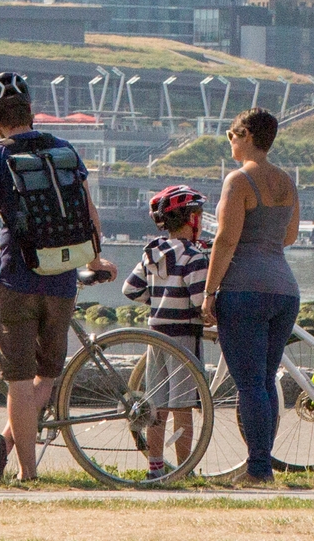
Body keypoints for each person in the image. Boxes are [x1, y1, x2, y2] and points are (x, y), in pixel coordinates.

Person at [0, 71, 106, 483]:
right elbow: (89, 211)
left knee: (19, 383)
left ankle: (26, 471)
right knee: (48, 375)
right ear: (29, 110)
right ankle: (8, 443)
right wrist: (96, 260)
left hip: (15, 279)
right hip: (62, 279)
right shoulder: (65, 148)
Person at [202, 107, 301, 485]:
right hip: (284, 290)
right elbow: (289, 236)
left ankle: (259, 469)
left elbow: (226, 240)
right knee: (264, 380)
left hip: (245, 288)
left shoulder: (238, 181)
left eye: (231, 134)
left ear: (246, 135)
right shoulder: (286, 181)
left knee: (249, 385)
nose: (230, 141)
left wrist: (210, 291)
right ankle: (262, 462)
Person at [121, 184, 212, 480]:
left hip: (156, 335)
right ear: (190, 219)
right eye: (198, 213)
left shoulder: (153, 252)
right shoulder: (194, 257)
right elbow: (200, 301)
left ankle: (155, 467)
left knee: (156, 406)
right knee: (183, 406)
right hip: (184, 338)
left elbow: (130, 289)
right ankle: (185, 469)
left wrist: (158, 302)